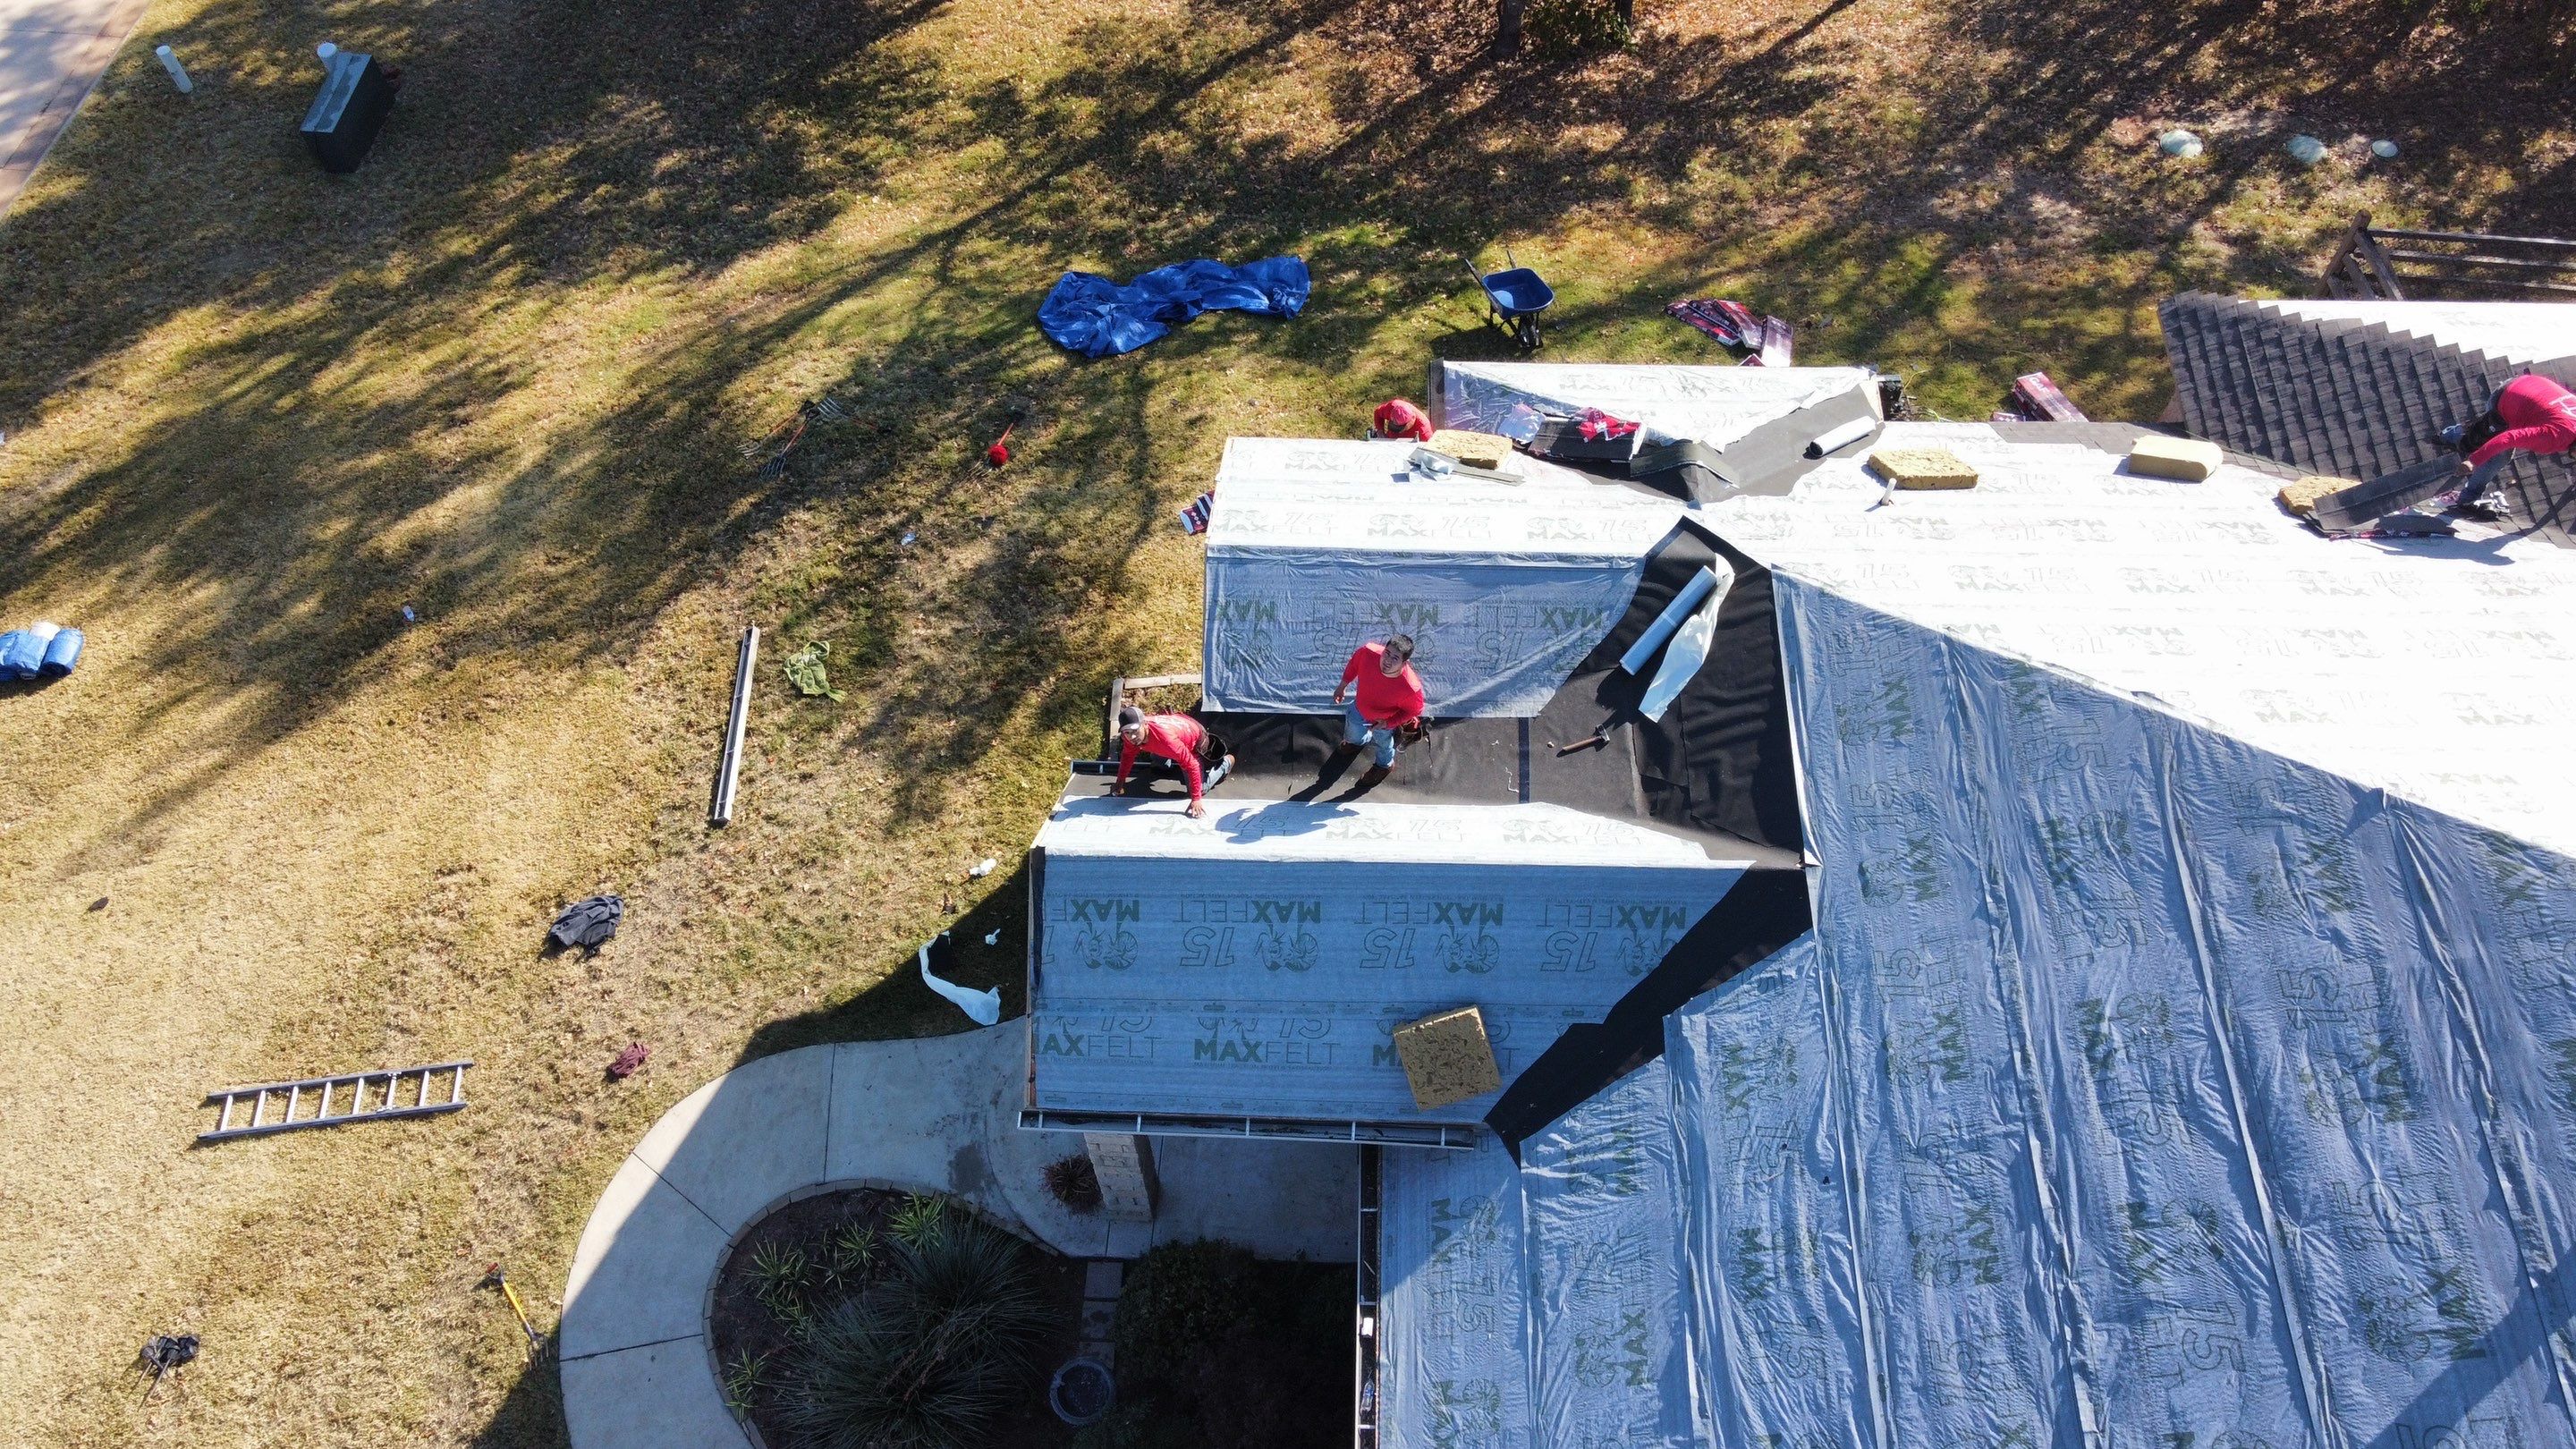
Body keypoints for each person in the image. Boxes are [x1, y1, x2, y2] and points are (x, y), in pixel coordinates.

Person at [2434, 372, 2576, 517]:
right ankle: (2468, 497)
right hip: (2505, 400)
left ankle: (2458, 432)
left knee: (2483, 432)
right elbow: (2509, 438)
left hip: (2529, 384)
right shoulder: (2556, 436)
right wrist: (2473, 461)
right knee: (2499, 455)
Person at [1333, 634, 1427, 787]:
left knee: (1384, 745)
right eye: (1387, 653)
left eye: (1395, 658)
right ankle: (1356, 743)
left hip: (1383, 722)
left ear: (1404, 663)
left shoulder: (1411, 688)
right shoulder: (1368, 653)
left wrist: (1389, 723)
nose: (1387, 660)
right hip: (1359, 708)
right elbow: (1354, 665)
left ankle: (1384, 766)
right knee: (1353, 733)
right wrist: (1342, 686)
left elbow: (1414, 710)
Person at [1109, 706, 1233, 818]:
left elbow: (1192, 765)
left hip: (1195, 738)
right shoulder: (1130, 737)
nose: (1132, 737)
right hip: (1175, 727)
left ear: (1145, 724)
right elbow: (1128, 757)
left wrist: (1196, 799)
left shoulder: (1167, 741)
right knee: (1159, 765)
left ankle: (1226, 763)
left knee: (1199, 789)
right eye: (1127, 732)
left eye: (1135, 731)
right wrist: (1120, 782)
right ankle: (1167, 760)